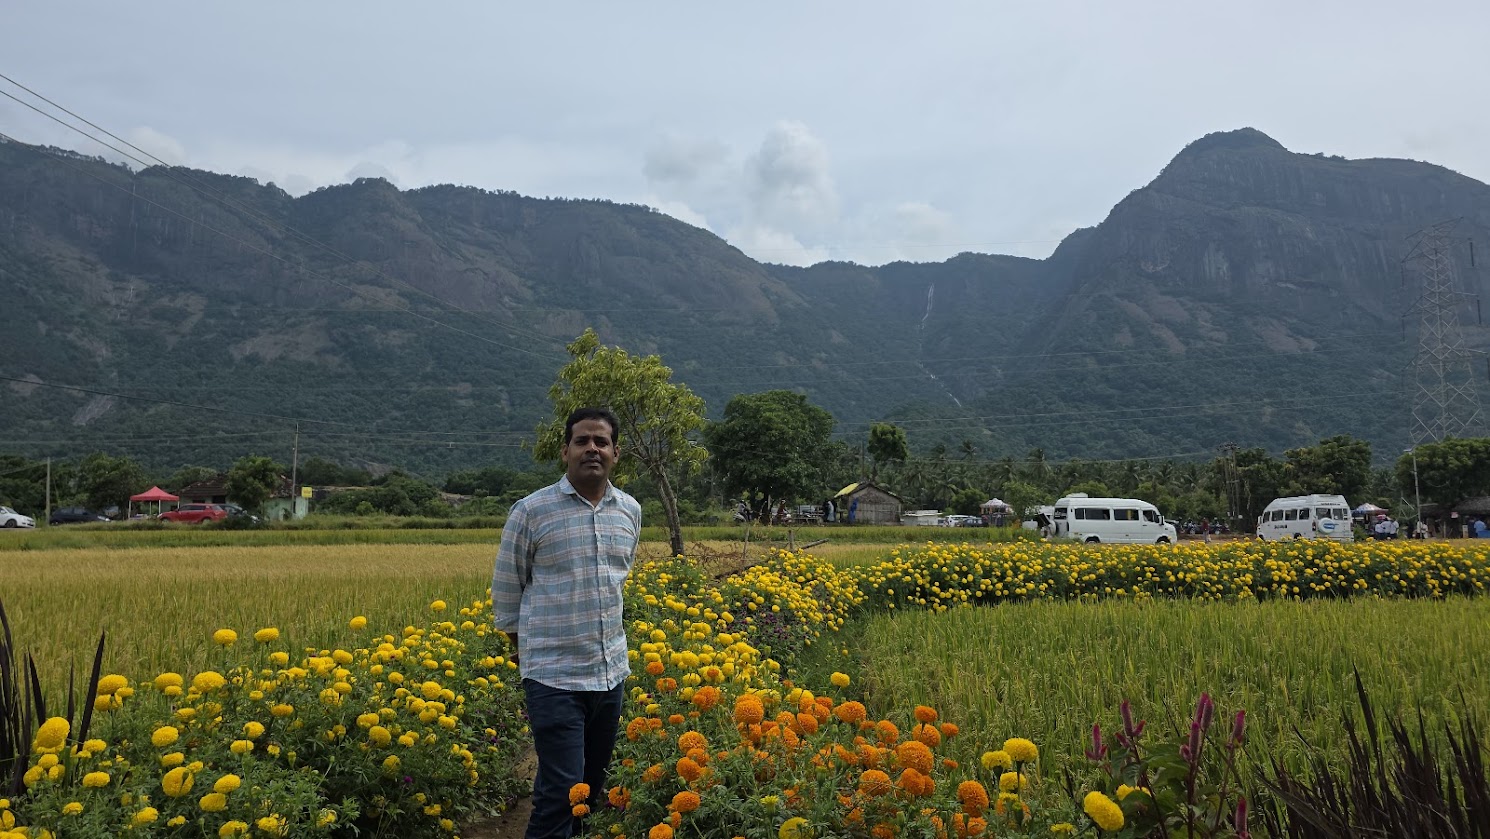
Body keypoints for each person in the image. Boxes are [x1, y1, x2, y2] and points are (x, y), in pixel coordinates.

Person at [492, 408, 641, 839]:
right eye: (582, 441)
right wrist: (523, 650)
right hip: (554, 676)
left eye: (601, 442)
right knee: (561, 792)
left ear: (616, 452)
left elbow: (619, 579)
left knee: (590, 790)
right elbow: (507, 590)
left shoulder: (629, 511)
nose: (592, 449)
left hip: (610, 672)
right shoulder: (531, 511)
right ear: (565, 451)